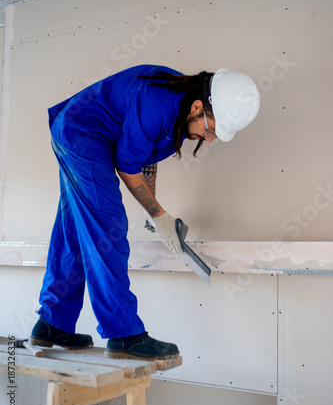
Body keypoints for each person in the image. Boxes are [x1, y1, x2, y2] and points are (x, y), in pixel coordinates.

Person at [29, 64, 260, 360]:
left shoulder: (177, 109)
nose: (210, 139)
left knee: (74, 229)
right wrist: (158, 213)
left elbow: (143, 158)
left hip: (77, 133)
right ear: (198, 107)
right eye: (211, 129)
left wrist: (155, 212)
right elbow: (126, 165)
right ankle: (124, 335)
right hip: (83, 135)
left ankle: (52, 322)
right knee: (107, 227)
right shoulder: (159, 101)